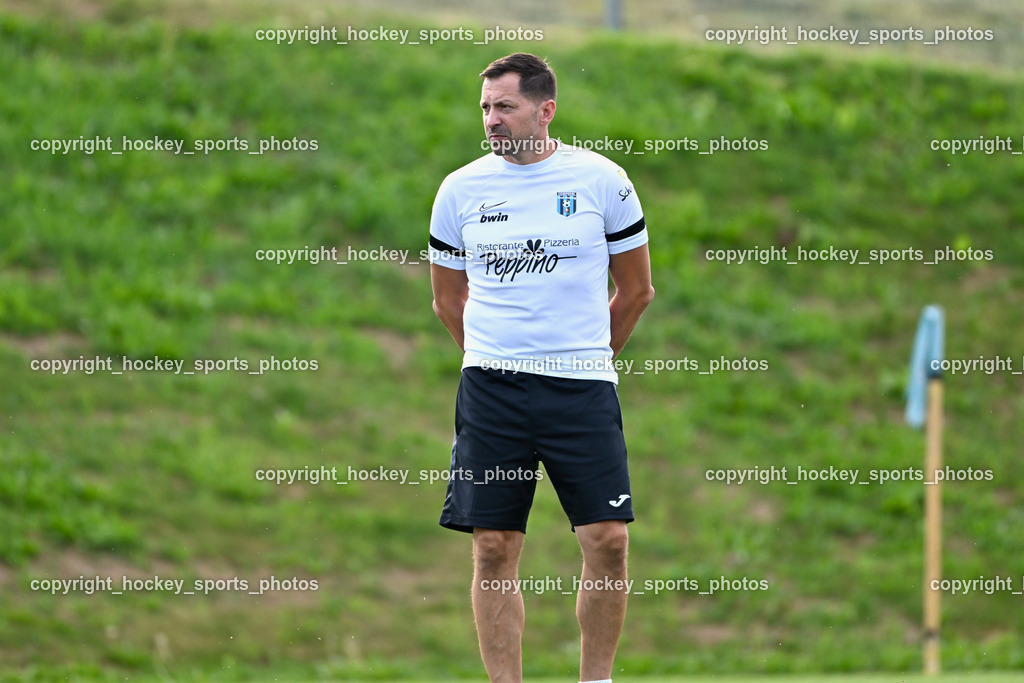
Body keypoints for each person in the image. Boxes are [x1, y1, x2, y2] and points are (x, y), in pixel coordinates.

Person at [428, 52, 654, 683]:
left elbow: (636, 291)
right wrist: (492, 357)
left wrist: (585, 356)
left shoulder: (603, 181)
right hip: (493, 392)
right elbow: (448, 301)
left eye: (505, 107)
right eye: (485, 108)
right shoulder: (460, 190)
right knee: (493, 548)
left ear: (544, 110)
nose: (492, 120)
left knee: (608, 541)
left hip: (581, 390)